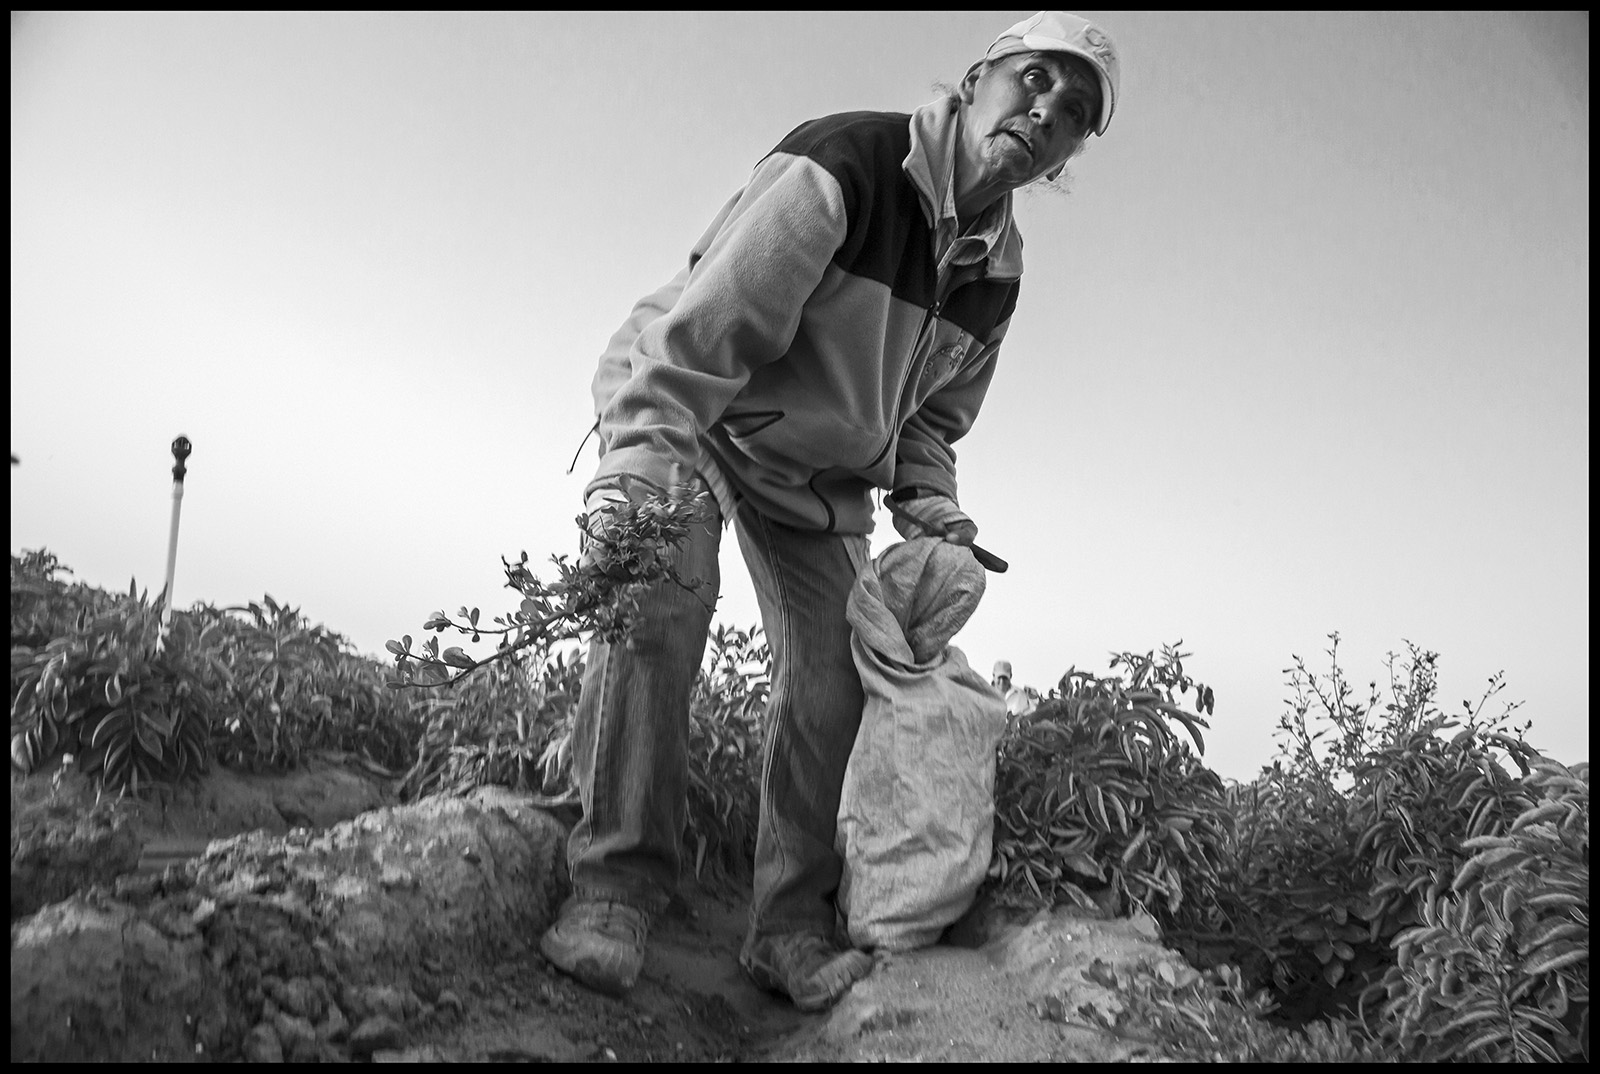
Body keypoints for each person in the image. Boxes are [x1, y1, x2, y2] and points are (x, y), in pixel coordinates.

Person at [540, 10, 1121, 1013]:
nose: (1046, 113)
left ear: (1068, 154)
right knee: (658, 604)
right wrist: (633, 477)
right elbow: (698, 341)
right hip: (694, 405)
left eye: (1072, 113)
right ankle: (615, 889)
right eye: (1035, 80)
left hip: (806, 473)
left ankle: (786, 926)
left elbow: (928, 419)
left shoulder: (997, 270)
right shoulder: (844, 166)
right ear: (978, 77)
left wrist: (934, 509)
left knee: (835, 675)